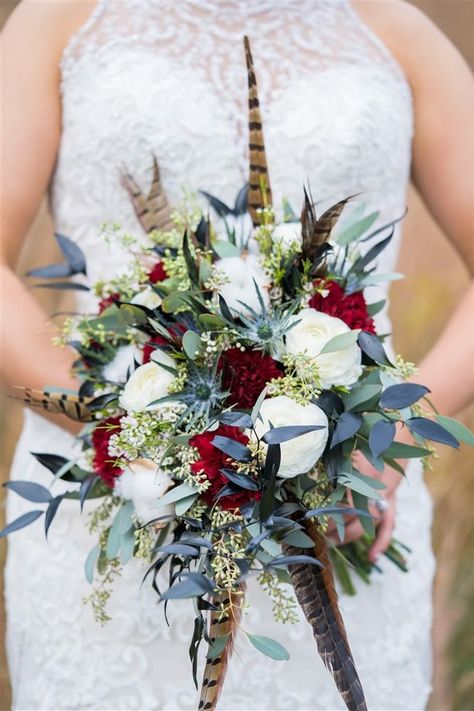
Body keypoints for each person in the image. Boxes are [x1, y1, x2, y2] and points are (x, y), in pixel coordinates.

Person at [1, 1, 473, 709]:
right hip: (117, 513)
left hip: (339, 524)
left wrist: (389, 433)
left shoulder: (395, 30)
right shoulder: (60, 20)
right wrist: (141, 438)